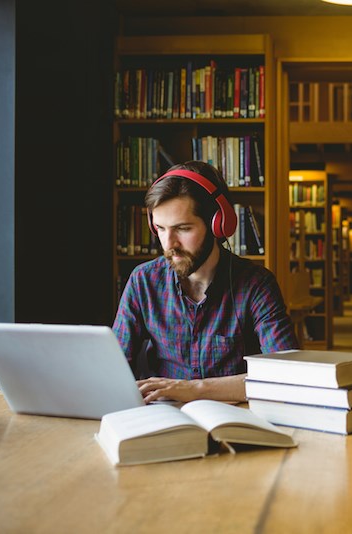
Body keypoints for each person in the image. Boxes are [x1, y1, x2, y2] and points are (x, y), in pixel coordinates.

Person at [113, 160, 298, 403]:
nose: (169, 244)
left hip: (235, 417)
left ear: (217, 225)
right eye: (160, 228)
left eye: (183, 228)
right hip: (164, 417)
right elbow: (114, 368)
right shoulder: (143, 281)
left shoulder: (256, 285)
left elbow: (288, 374)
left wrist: (195, 389)